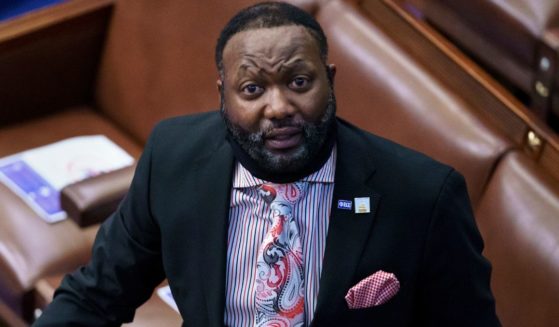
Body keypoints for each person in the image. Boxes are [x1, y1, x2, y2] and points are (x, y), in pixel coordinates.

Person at [34, 2, 500, 326]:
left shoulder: (421, 197)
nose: (279, 107)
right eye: (253, 89)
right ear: (223, 96)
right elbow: (97, 294)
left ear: (330, 80)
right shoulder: (173, 159)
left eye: (299, 81)